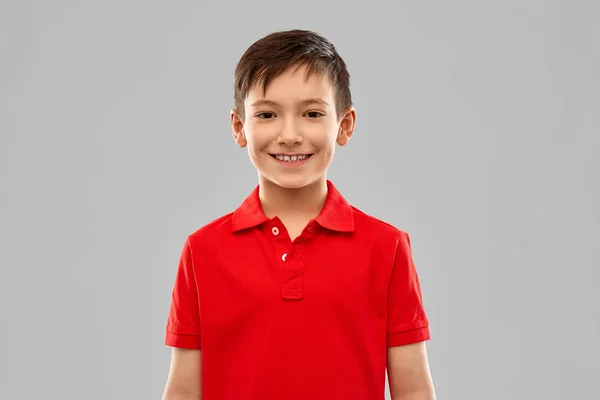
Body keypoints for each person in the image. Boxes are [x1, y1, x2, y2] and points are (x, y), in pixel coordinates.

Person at [161, 29, 435, 400]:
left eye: (312, 113)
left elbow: (414, 391)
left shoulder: (386, 248)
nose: (290, 134)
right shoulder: (202, 250)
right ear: (240, 127)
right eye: (268, 114)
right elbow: (183, 392)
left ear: (345, 124)